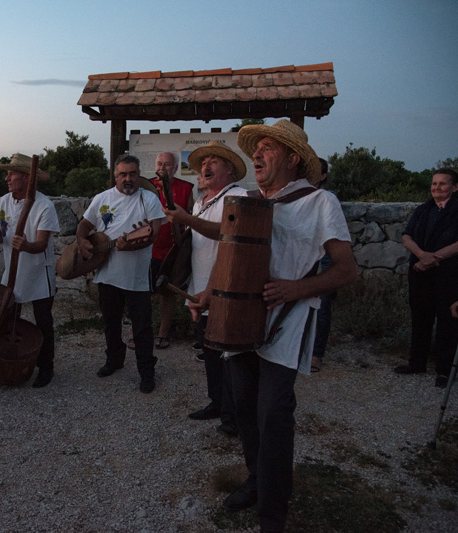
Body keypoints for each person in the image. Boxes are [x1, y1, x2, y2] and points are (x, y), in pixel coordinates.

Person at [188, 120, 356, 532]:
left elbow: (347, 270)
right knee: (243, 407)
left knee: (273, 414)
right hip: (239, 320)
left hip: (287, 323)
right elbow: (230, 255)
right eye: (256, 148)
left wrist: (295, 289)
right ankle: (256, 480)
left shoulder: (320, 203)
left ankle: (273, 514)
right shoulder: (244, 199)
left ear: (293, 157)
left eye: (267, 148)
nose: (257, 155)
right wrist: (210, 293)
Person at [162, 141, 246, 436]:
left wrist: (187, 220)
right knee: (209, 351)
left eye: (214, 161)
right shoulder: (201, 202)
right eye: (204, 162)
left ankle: (234, 417)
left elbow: (230, 232)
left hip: (227, 290)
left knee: (229, 357)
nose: (206, 166)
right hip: (201, 289)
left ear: (230, 170)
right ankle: (217, 403)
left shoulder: (237, 196)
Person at [76, 154, 165, 393]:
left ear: (139, 175)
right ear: (115, 176)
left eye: (132, 174)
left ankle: (147, 372)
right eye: (122, 174)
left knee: (142, 327)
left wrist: (131, 244)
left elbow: (153, 234)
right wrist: (82, 241)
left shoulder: (149, 199)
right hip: (107, 273)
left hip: (137, 275)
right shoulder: (102, 198)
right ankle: (114, 360)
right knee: (110, 323)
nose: (128, 179)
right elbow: (84, 226)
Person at [0, 153, 60, 388]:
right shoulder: (4, 201)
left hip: (39, 273)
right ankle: (10, 363)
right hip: (14, 271)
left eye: (12, 173)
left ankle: (46, 367)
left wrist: (27, 246)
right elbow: (3, 229)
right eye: (7, 173)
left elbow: (41, 244)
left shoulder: (44, 206)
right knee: (9, 319)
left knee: (43, 321)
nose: (7, 178)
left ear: (27, 177)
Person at [397, 168, 458, 388]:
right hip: (420, 273)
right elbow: (406, 236)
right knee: (420, 319)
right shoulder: (424, 209)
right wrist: (422, 256)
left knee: (447, 322)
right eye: (434, 183)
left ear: (455, 187)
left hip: (449, 275)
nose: (436, 188)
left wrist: (433, 257)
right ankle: (416, 363)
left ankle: (444, 371)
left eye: (442, 184)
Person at [145, 152, 193, 350]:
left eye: (167, 165)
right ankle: (139, 331)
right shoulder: (146, 187)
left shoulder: (185, 188)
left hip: (172, 250)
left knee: (168, 293)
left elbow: (191, 216)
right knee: (143, 293)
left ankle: (164, 332)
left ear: (175, 168)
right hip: (148, 249)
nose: (163, 168)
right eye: (160, 164)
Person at [311, 158, 333, 372]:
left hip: (323, 261)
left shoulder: (327, 199)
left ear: (323, 176)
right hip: (305, 261)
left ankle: (316, 355)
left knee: (322, 308)